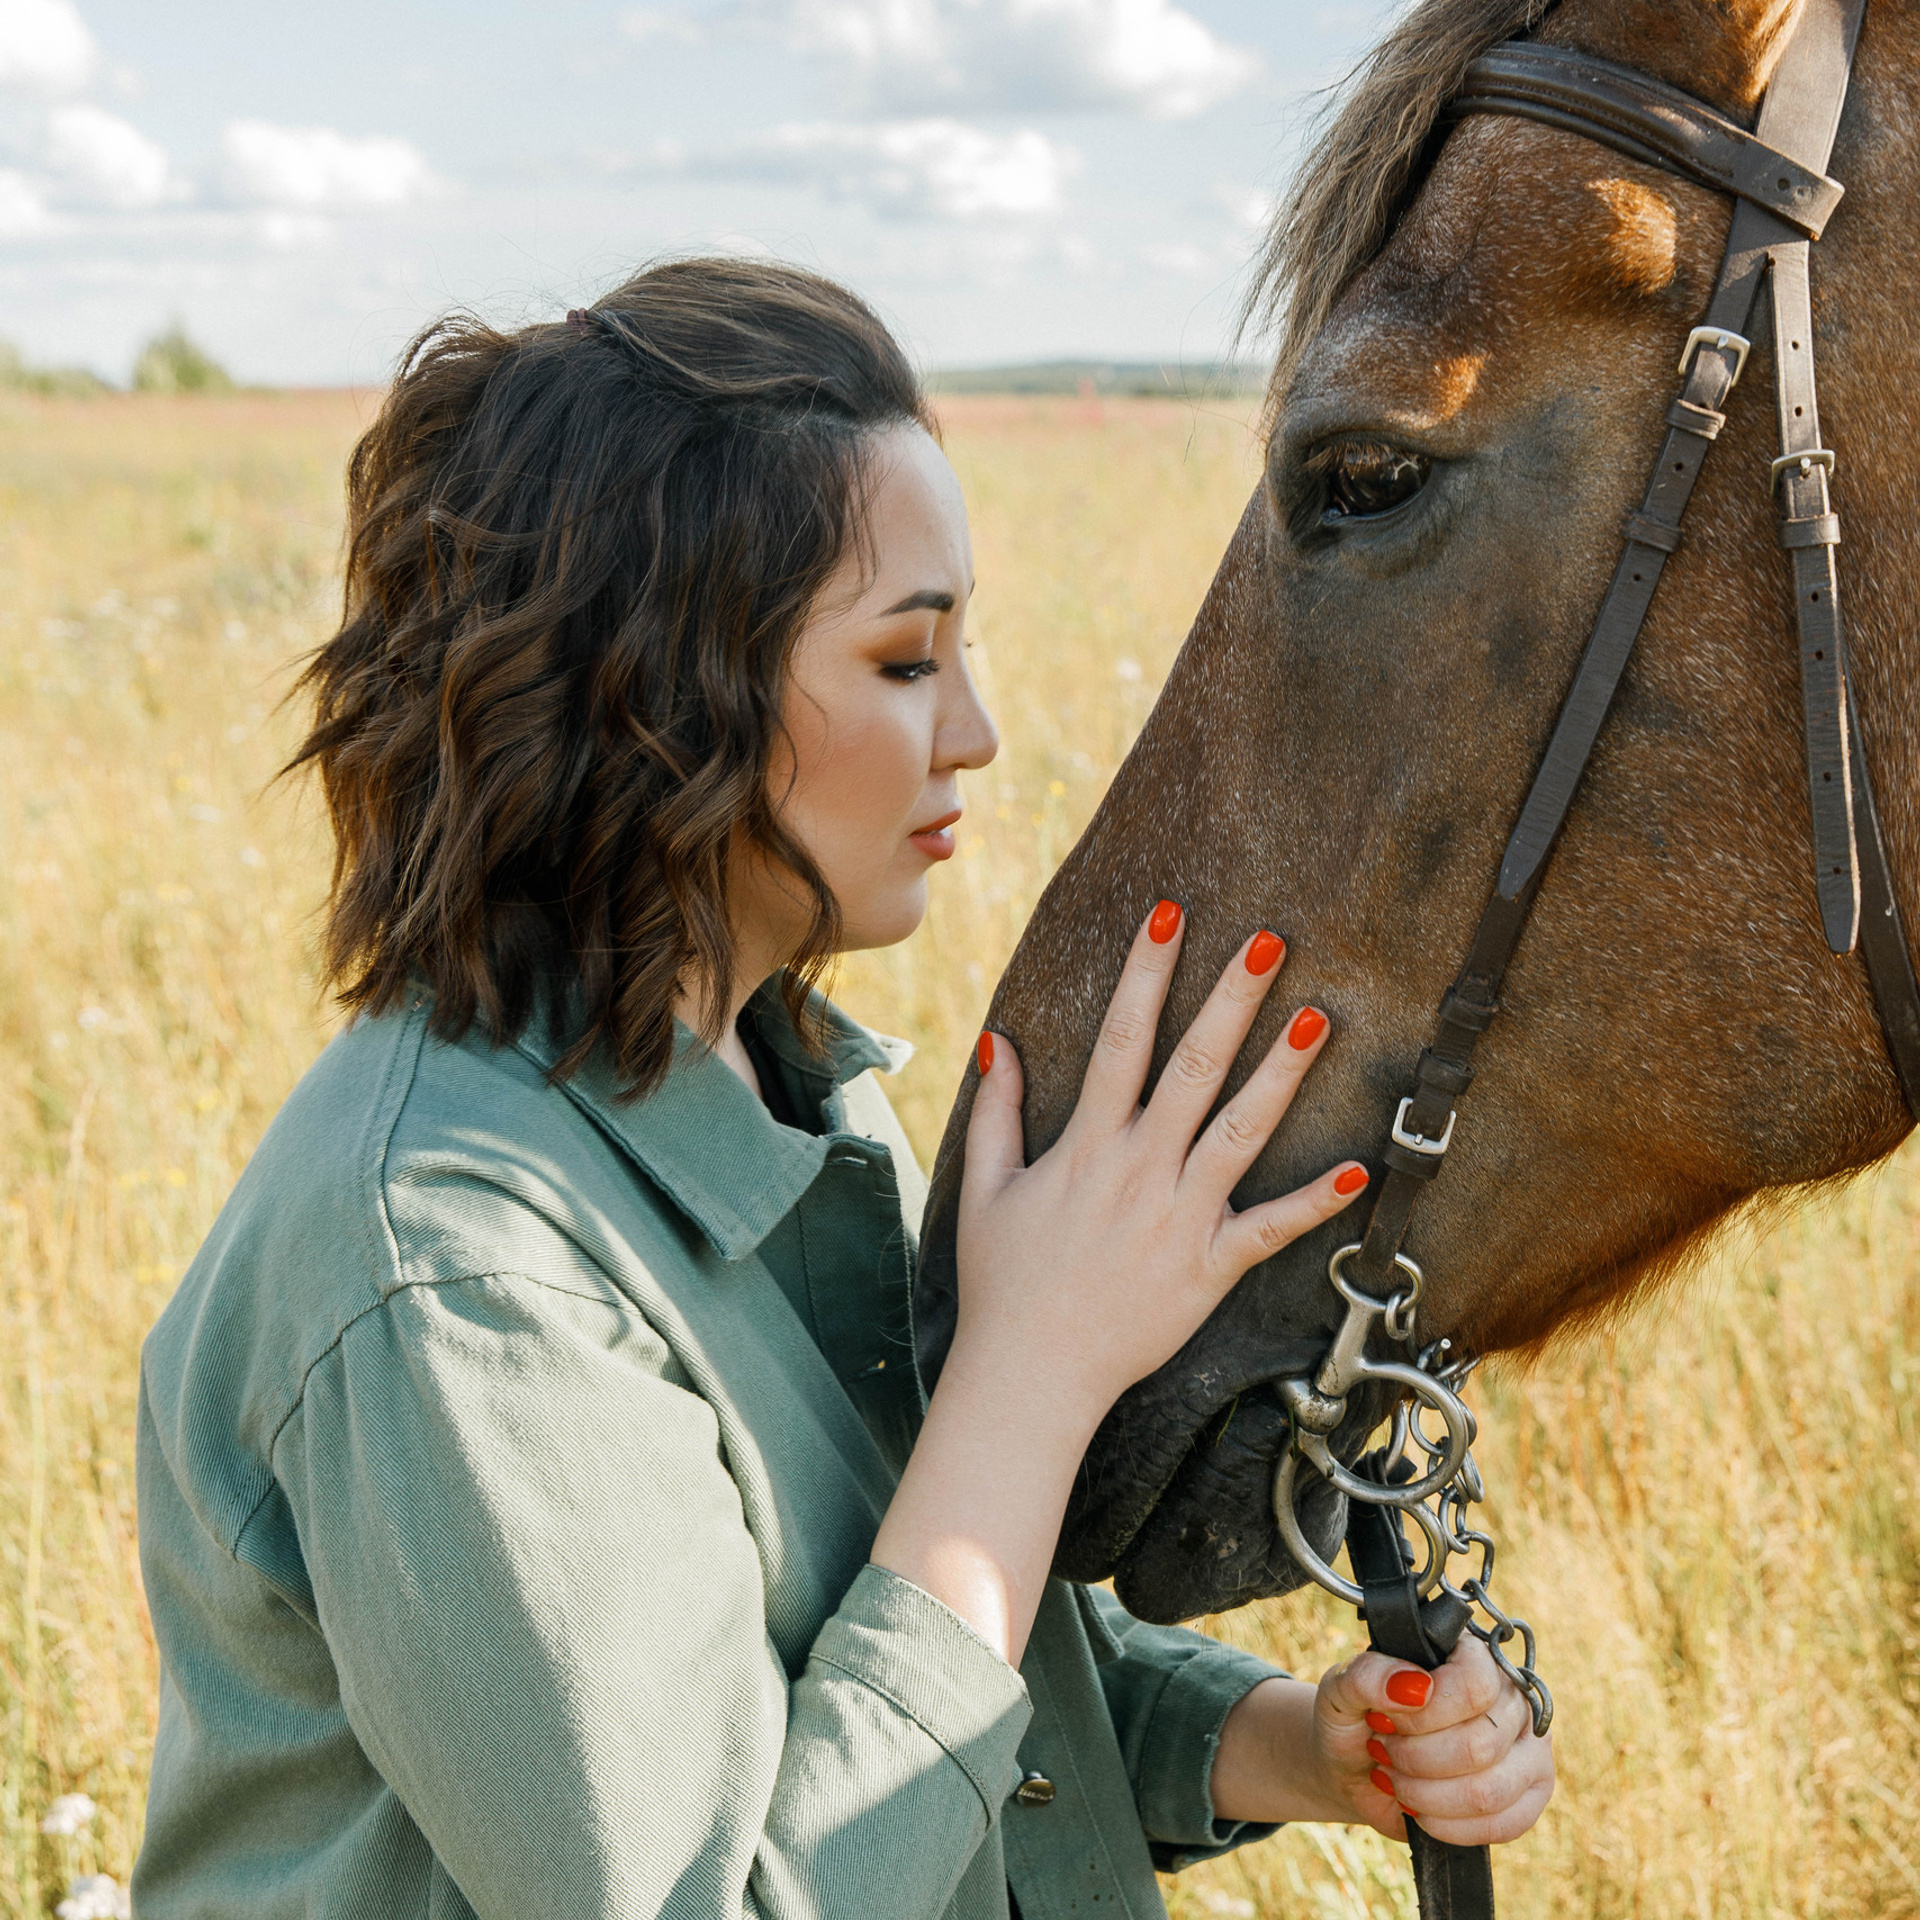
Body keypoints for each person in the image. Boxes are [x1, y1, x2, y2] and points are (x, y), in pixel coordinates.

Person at [133, 258, 1553, 1919]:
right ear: (657, 692)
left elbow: (903, 1638)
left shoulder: (776, 1078)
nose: (978, 733)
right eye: (903, 661)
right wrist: (1034, 1372)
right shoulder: (455, 1276)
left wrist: (1290, 1746)